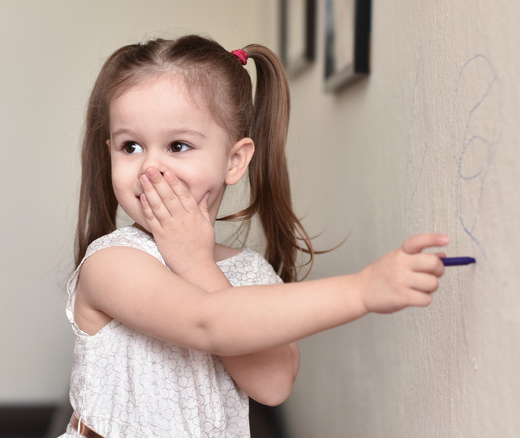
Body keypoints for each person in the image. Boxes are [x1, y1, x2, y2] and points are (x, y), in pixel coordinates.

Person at [61, 35, 448, 438]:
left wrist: (199, 264)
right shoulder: (112, 263)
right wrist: (361, 291)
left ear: (234, 160)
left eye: (177, 145)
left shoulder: (248, 271)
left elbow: (274, 384)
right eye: (130, 146)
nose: (150, 166)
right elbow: (207, 323)